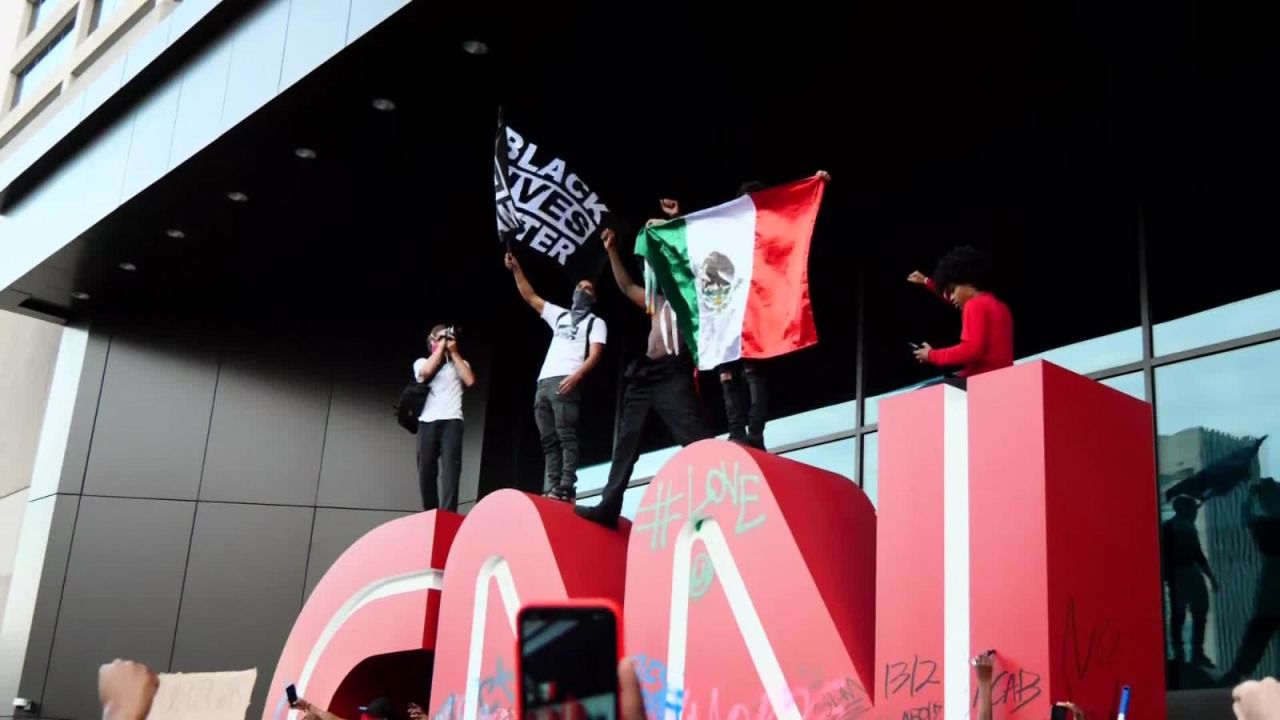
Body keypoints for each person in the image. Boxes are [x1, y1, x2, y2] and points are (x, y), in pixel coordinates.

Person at [574, 224, 712, 528]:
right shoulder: (656, 301)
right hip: (644, 375)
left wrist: (668, 223)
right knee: (625, 442)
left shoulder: (691, 298)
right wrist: (611, 249)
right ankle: (609, 506)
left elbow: (687, 253)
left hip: (672, 372)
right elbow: (625, 287)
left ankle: (722, 487)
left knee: (693, 434)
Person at [505, 251, 608, 501]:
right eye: (579, 287)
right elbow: (530, 296)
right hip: (544, 383)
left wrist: (575, 377)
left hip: (566, 380)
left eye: (588, 289)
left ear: (594, 298)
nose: (582, 291)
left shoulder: (595, 322)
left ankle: (567, 484)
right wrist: (517, 269)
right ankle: (553, 485)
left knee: (566, 435)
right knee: (548, 438)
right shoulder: (559, 315)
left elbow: (595, 354)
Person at [908, 245, 1013, 383]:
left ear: (967, 280)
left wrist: (931, 355)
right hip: (999, 380)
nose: (950, 297)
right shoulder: (999, 306)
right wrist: (926, 281)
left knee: (921, 397)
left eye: (952, 290)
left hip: (979, 382)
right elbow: (953, 298)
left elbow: (971, 350)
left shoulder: (974, 305)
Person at [413, 324, 476, 512]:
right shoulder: (421, 361)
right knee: (426, 469)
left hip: (452, 421)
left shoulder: (460, 363)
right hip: (427, 422)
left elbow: (470, 380)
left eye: (447, 338)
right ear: (432, 341)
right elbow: (424, 373)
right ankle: (430, 511)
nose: (445, 341)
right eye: (440, 338)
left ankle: (448, 511)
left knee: (451, 469)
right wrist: (440, 348)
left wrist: (454, 352)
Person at [1223, 478, 1280, 683]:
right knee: (1262, 627)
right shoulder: (1266, 523)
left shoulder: (1263, 525)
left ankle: (1238, 671)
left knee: (1261, 628)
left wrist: (1251, 496)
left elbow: (1246, 514)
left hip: (1272, 579)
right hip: (1272, 580)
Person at [1163, 495, 1219, 668]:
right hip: (1180, 575)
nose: (1195, 513)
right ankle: (1187, 653)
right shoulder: (1175, 528)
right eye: (1193, 509)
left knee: (1194, 612)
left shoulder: (1182, 526)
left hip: (1185, 574)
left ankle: (1192, 653)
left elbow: (1197, 555)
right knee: (1182, 615)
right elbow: (1197, 555)